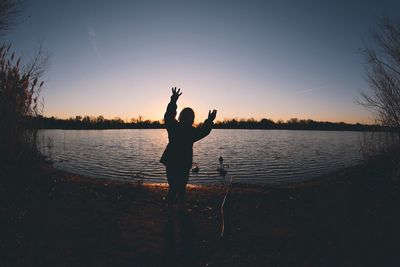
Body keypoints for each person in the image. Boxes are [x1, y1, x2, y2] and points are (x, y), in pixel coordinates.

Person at [160, 87, 217, 209]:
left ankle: (172, 207)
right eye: (189, 116)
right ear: (191, 119)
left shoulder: (174, 126)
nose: (189, 118)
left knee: (174, 186)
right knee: (180, 188)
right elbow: (204, 130)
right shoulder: (190, 131)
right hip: (182, 163)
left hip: (172, 162)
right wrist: (209, 121)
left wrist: (173, 101)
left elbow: (169, 116)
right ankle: (178, 207)